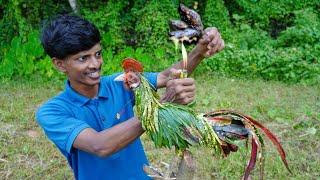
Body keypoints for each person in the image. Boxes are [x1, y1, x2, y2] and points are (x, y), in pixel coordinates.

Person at [36, 14, 224, 179]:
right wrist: (160, 107)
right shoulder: (52, 112)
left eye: (98, 54)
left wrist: (199, 51)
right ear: (60, 65)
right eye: (83, 58)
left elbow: (166, 76)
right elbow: (99, 146)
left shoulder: (120, 83)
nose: (95, 64)